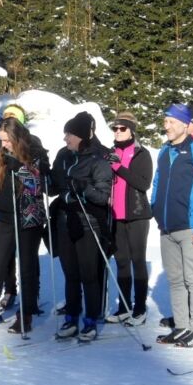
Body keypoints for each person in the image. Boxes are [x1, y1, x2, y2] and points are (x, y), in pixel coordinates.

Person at [0, 117, 48, 333]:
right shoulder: (1, 152)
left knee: (26, 266)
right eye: (1, 140)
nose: (4, 144)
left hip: (28, 217)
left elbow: (39, 185)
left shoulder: (35, 152)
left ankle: (26, 313)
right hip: (5, 216)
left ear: (17, 138)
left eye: (7, 140)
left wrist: (20, 168)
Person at [151, 103, 193, 347]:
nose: (165, 126)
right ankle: (180, 326)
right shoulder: (164, 151)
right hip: (167, 227)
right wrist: (155, 208)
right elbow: (157, 183)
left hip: (190, 227)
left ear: (183, 124)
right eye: (165, 121)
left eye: (170, 122)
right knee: (175, 280)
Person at [52, 111, 113, 341]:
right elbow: (54, 184)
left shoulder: (98, 159)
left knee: (89, 275)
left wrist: (83, 188)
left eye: (69, 134)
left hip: (88, 223)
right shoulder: (64, 156)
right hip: (65, 221)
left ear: (80, 136)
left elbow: (102, 196)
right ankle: (71, 319)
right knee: (70, 275)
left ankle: (91, 320)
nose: (66, 139)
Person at [104, 112, 153, 326]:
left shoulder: (141, 153)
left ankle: (140, 308)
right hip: (116, 215)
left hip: (137, 214)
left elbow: (143, 183)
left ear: (131, 130)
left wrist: (119, 168)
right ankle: (124, 307)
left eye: (122, 128)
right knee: (121, 261)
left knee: (137, 260)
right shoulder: (110, 153)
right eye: (115, 128)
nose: (117, 132)